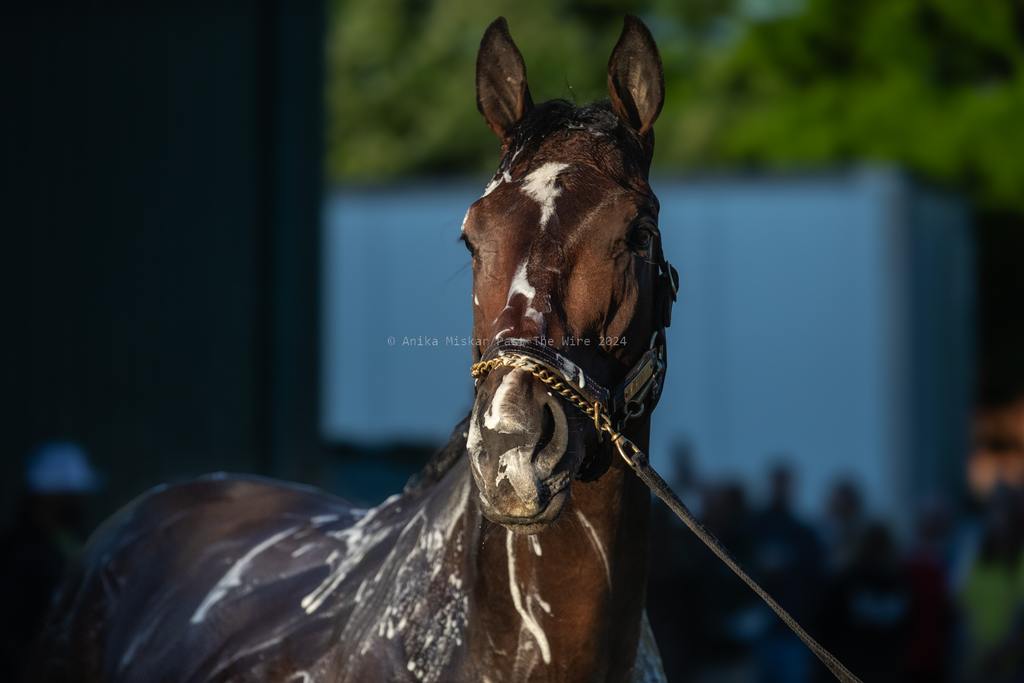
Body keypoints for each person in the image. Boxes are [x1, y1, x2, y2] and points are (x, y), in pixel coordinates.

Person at [0, 441, 99, 682]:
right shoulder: (19, 553)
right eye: (72, 496)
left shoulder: (71, 541)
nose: (80, 503)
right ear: (51, 497)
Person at [749, 463, 824, 683]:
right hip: (759, 631)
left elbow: (814, 578)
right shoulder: (755, 527)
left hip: (794, 631)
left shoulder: (802, 532)